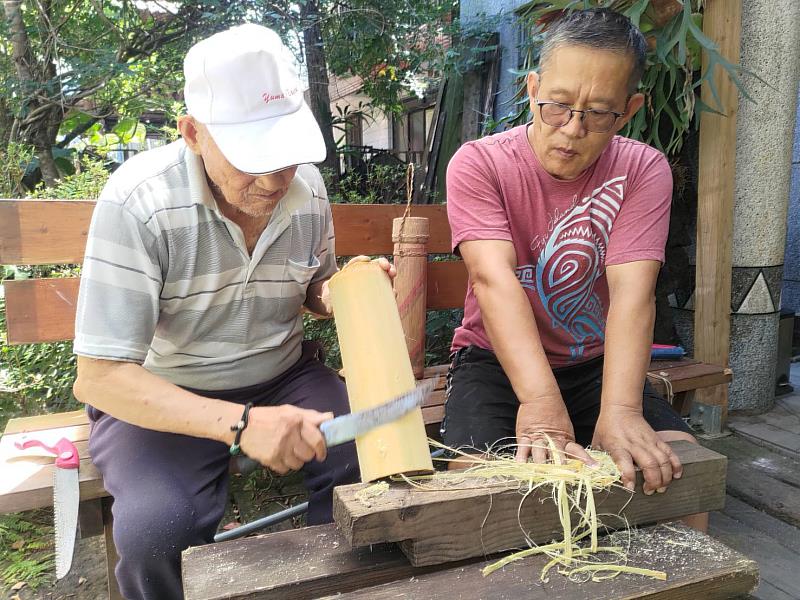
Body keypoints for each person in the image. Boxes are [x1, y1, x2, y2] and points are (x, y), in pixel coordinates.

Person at [73, 24, 393, 599]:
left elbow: (315, 290)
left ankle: (339, 589)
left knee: (372, 469)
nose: (275, 178)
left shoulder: (308, 190)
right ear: (193, 133)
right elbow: (101, 378)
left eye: (287, 153)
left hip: (285, 374)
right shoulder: (139, 203)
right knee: (155, 534)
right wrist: (242, 425)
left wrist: (349, 289)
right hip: (165, 392)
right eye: (254, 156)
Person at [443, 9, 704, 526]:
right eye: (557, 106)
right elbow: (494, 281)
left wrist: (623, 410)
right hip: (493, 363)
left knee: (678, 485)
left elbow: (634, 294)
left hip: (597, 366)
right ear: (533, 88)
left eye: (599, 113)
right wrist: (539, 401)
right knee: (482, 502)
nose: (572, 130)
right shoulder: (479, 163)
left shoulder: (642, 169)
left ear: (628, 110)